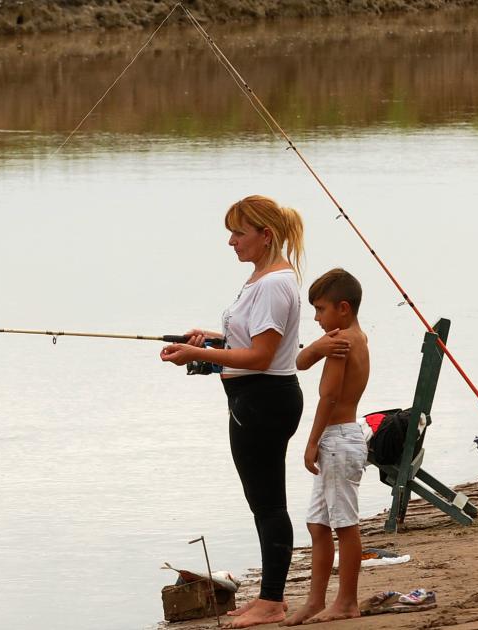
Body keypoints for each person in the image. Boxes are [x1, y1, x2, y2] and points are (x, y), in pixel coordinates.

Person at [160, 195, 335, 628]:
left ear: (265, 235)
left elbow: (261, 356)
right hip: (254, 399)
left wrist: (198, 356)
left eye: (238, 233)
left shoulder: (276, 283)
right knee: (263, 502)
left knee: (268, 505)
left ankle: (272, 601)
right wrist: (211, 339)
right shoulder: (263, 278)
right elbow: (256, 341)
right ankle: (268, 597)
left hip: (264, 400)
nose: (231, 242)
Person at [282, 268, 370, 626]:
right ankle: (316, 600)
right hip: (344, 439)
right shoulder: (353, 336)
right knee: (317, 524)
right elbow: (299, 361)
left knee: (344, 525)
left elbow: (329, 396)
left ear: (343, 308)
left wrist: (311, 441)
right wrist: (316, 346)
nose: (316, 318)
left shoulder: (341, 343)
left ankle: (347, 601)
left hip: (337, 440)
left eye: (320, 309)